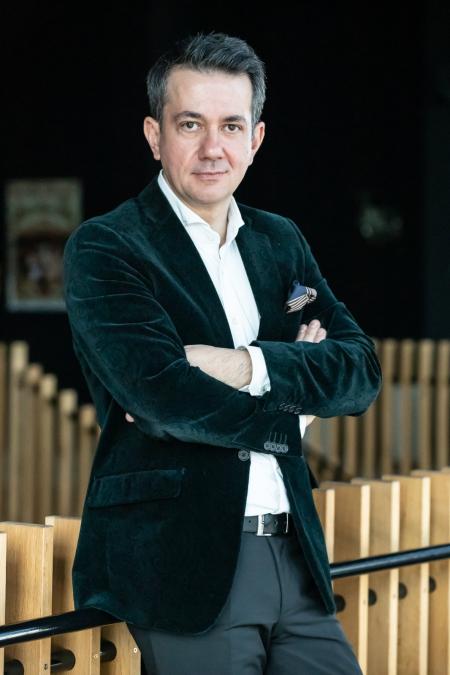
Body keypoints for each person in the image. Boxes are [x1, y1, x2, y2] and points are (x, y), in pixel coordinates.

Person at [63, 32, 381, 674]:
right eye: (191, 124)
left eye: (231, 126)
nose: (213, 147)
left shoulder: (280, 241)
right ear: (154, 135)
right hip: (184, 564)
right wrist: (295, 406)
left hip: (295, 552)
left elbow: (360, 370)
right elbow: (160, 397)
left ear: (256, 138)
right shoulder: (107, 247)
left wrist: (245, 365)